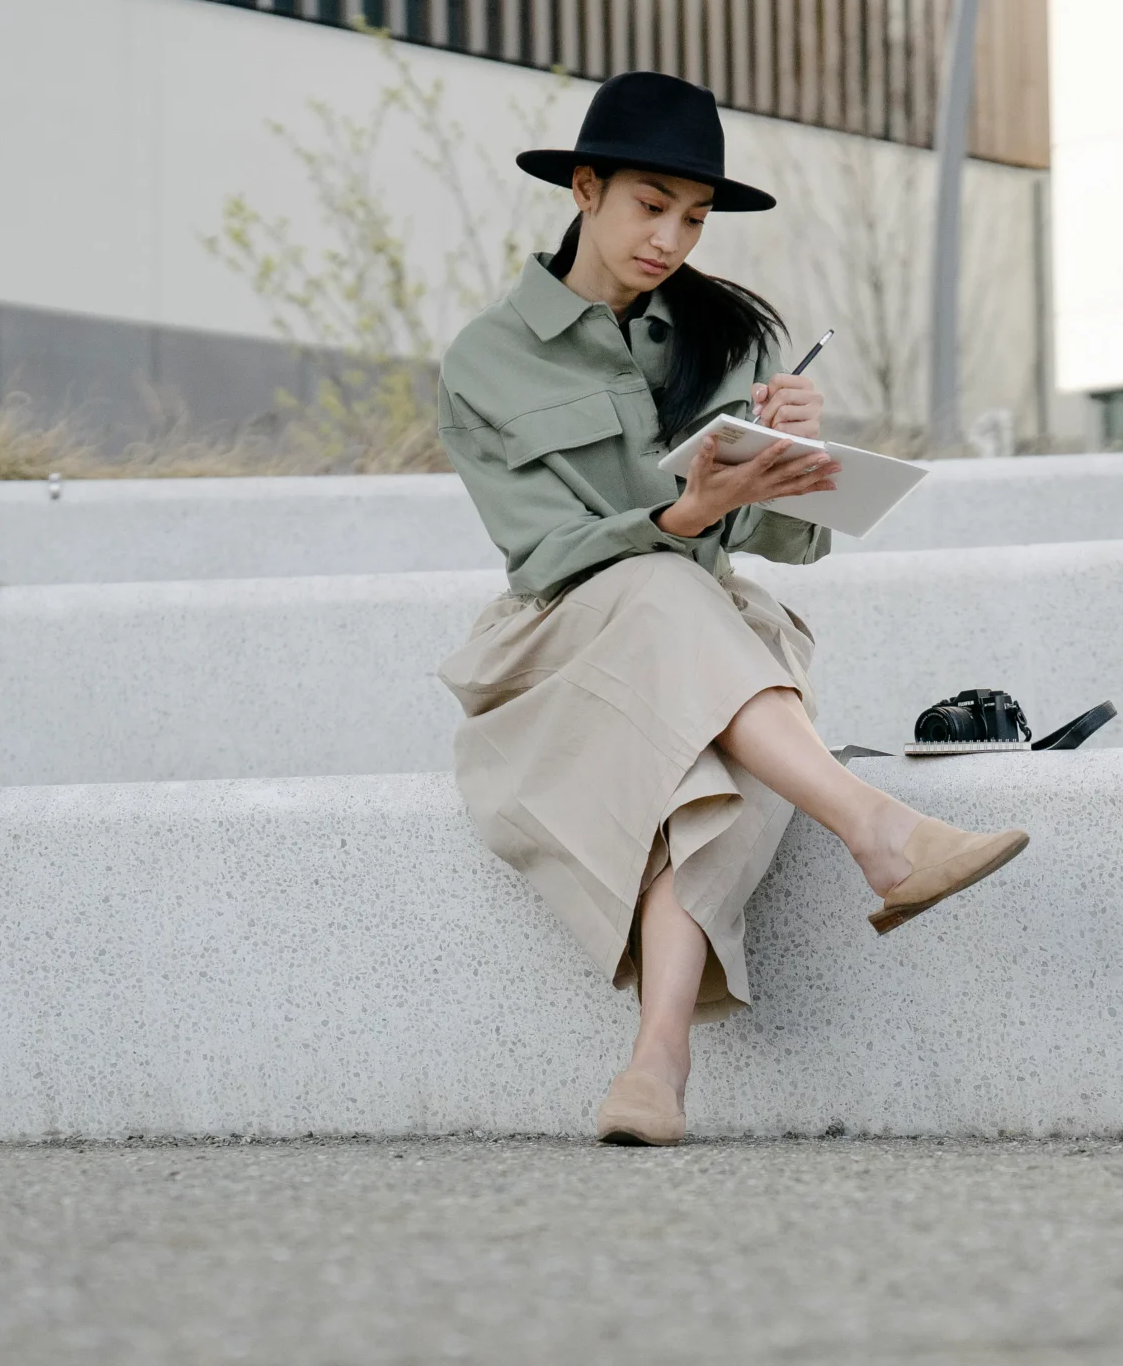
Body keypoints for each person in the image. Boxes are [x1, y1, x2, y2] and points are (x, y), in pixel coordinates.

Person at [435, 71, 1029, 1147]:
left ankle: (655, 1064)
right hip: (558, 648)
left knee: (710, 750)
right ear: (585, 189)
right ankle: (878, 829)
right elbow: (545, 553)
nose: (671, 237)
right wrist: (684, 511)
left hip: (699, 641)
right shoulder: (487, 358)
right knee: (672, 599)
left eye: (695, 218)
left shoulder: (726, 333)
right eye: (649, 206)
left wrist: (795, 447)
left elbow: (788, 542)